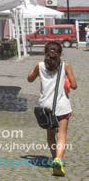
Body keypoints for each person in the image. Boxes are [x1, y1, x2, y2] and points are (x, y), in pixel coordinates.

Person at [28, 42, 77, 176]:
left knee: (50, 136)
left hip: (46, 107)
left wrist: (38, 71)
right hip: (62, 106)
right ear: (61, 53)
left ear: (45, 53)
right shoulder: (65, 65)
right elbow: (74, 85)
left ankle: (55, 158)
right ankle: (58, 160)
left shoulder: (40, 66)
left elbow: (29, 79)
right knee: (61, 134)